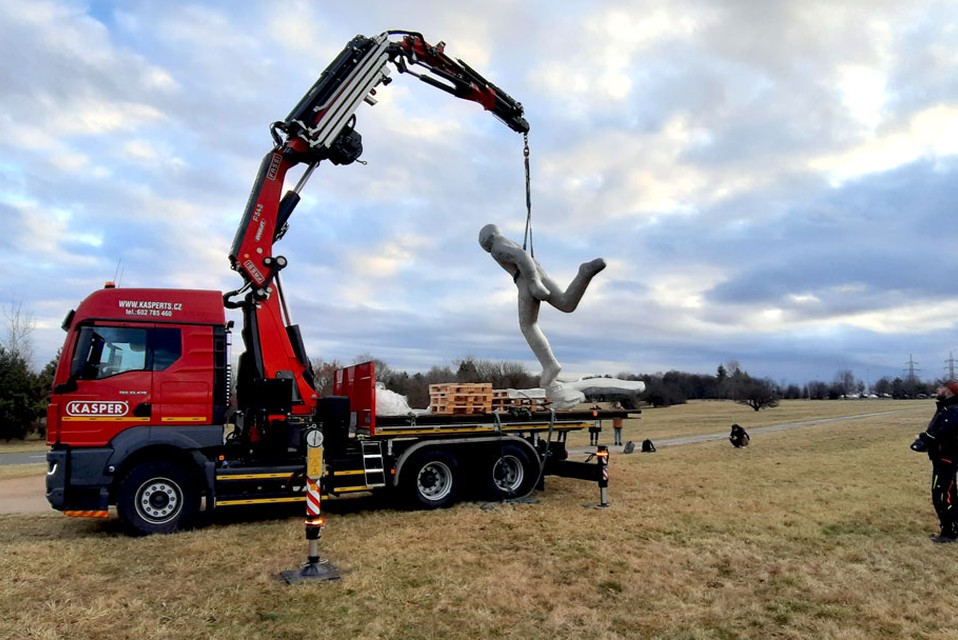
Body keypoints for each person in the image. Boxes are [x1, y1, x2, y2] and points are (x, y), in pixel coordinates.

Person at [478, 223, 606, 405]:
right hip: (540, 274)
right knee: (566, 303)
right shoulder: (507, 241)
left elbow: (520, 256)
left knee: (528, 326)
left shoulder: (496, 248)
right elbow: (522, 255)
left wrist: (533, 283)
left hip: (526, 280)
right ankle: (584, 274)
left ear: (485, 242)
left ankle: (550, 365)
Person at [910, 381, 958, 543]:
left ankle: (949, 531)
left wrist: (923, 438)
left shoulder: (952, 411)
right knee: (947, 493)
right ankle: (951, 527)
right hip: (941, 458)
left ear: (949, 391)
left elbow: (938, 434)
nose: (938, 390)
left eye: (941, 387)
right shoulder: (946, 409)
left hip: (946, 459)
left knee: (943, 494)